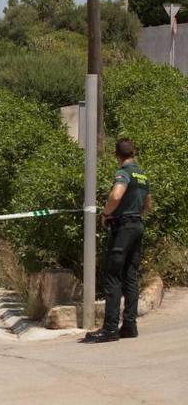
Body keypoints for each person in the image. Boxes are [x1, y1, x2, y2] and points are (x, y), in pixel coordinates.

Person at [85, 138, 152, 343]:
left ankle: (110, 329)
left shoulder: (123, 173)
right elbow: (148, 204)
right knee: (131, 275)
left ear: (117, 155)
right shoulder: (143, 175)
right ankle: (130, 326)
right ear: (134, 152)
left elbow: (116, 195)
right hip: (137, 225)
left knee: (113, 275)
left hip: (123, 227)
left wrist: (106, 214)